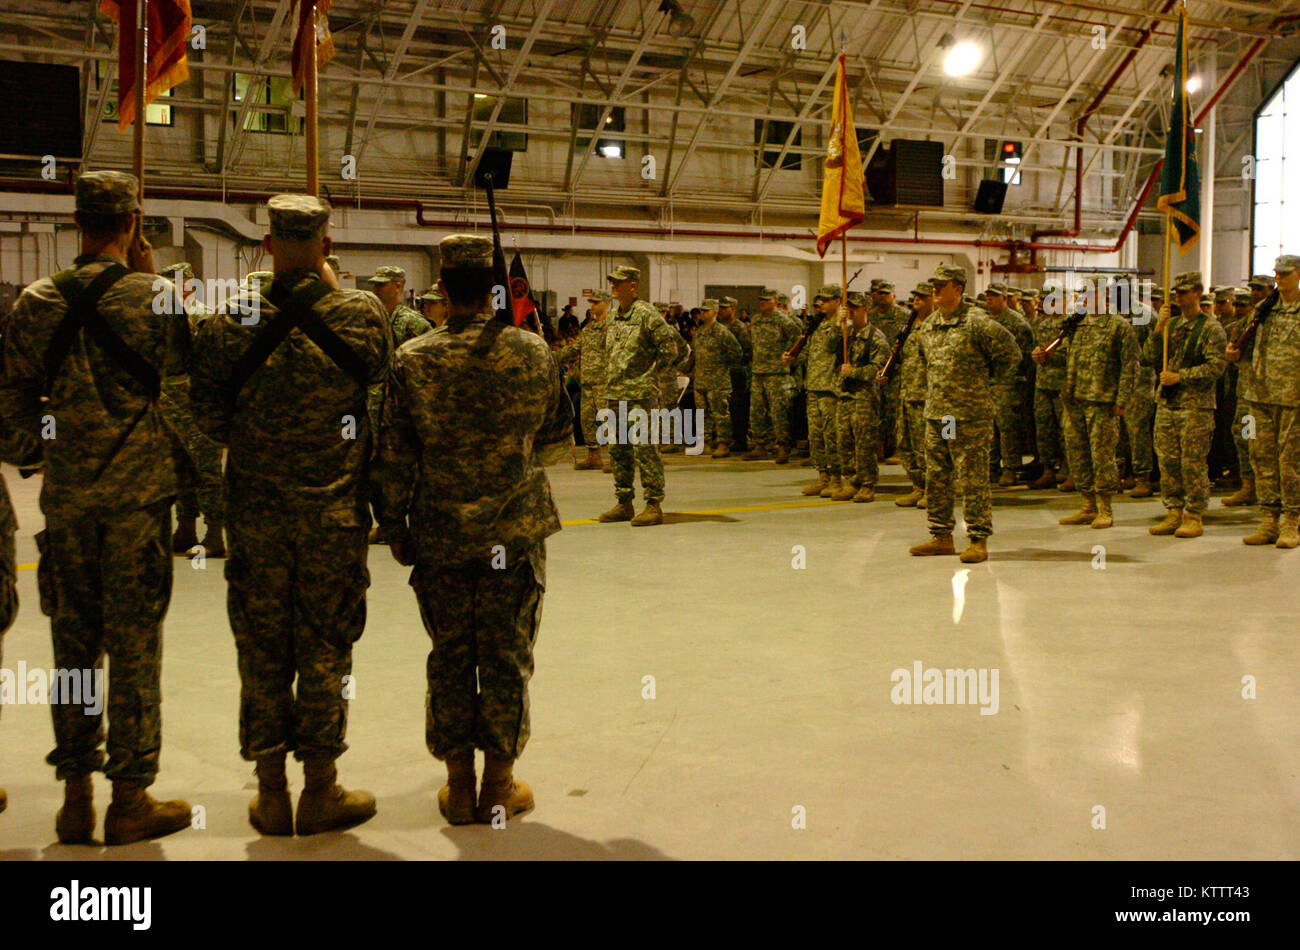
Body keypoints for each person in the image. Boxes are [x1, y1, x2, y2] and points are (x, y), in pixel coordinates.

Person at [0, 170, 192, 845]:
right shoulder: (158, 299)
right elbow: (184, 391)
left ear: (75, 223)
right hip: (138, 505)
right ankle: (131, 800)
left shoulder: (36, 302)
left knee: (74, 652)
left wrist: (47, 451)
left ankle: (76, 798)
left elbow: (12, 413)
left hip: (70, 506)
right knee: (136, 650)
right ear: (133, 224)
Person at [191, 194, 391, 836]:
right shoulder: (361, 316)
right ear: (327, 247)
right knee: (327, 649)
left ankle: (271, 792)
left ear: (267, 247)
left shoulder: (228, 323)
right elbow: (379, 397)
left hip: (254, 515)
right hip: (333, 516)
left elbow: (209, 419)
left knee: (262, 650)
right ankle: (322, 789)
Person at [374, 234, 571, 825]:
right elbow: (559, 442)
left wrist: (394, 526)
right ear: (493, 288)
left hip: (441, 533)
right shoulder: (533, 353)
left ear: (439, 289)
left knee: (451, 654)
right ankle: (499, 785)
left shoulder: (412, 359)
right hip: (512, 533)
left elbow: (392, 453)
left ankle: (459, 784)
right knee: (507, 656)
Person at [909, 266, 1019, 563]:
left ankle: (978, 538)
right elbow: (926, 362)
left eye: (941, 285)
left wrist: (991, 390)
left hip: (969, 416)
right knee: (938, 476)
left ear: (958, 288)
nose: (935, 289)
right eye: (933, 285)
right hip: (940, 416)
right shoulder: (930, 324)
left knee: (972, 478)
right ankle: (941, 536)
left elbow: (1011, 354)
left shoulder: (977, 323)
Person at [1042, 281, 1138, 529]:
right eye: (1082, 294)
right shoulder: (1076, 325)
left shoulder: (1119, 326)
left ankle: (1105, 507)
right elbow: (1067, 356)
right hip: (1074, 398)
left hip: (1101, 401)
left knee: (1102, 455)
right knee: (1077, 453)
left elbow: (1130, 367)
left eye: (1089, 294)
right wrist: (1045, 357)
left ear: (1104, 295)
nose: (1084, 298)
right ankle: (1087, 505)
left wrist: (1122, 401)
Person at [1141, 271, 1227, 538]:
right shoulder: (1172, 325)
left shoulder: (1211, 328)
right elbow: (1147, 357)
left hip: (1195, 405)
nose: (1179, 296)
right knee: (1168, 462)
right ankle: (1173, 510)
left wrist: (1181, 376)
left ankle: (1194, 513)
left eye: (1184, 292)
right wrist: (1158, 328)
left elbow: (1216, 368)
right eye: (1176, 293)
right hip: (1168, 403)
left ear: (1198, 294)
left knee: (1192, 463)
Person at [596, 265, 681, 527]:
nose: (613, 286)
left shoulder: (647, 314)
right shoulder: (612, 316)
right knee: (618, 450)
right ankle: (624, 502)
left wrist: (649, 373)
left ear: (633, 285)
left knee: (645, 451)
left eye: (618, 282)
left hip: (640, 395)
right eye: (612, 281)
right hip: (615, 393)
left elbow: (671, 349)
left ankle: (653, 504)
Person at [1229, 255, 1300, 547]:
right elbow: (1239, 342)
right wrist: (1233, 353)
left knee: (1290, 461)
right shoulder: (1263, 309)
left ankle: (1291, 521)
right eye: (1277, 274)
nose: (1279, 278)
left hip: (1293, 397)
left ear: (1298, 275)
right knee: (1261, 457)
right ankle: (1269, 519)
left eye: (1285, 274)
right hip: (1259, 395)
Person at [157, 261, 226, 557]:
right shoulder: (159, 316)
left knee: (206, 469)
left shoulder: (202, 316)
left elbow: (211, 363)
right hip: (167, 401)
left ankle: (214, 533)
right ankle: (185, 528)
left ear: (188, 284)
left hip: (195, 401)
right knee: (179, 468)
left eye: (174, 282)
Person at [364, 266, 431, 544]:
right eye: (375, 285)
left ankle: (413, 522)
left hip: (403, 407)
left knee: (407, 467)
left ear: (398, 286)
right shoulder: (369, 319)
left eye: (383, 285)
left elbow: (427, 364)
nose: (377, 290)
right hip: (373, 406)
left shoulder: (413, 323)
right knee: (374, 468)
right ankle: (384, 523)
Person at [832, 292, 889, 502]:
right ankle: (852, 480)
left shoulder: (875, 337)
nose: (852, 312)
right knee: (844, 440)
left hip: (864, 396)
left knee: (864, 442)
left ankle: (867, 483)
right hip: (845, 395)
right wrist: (838, 323)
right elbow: (828, 347)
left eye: (855, 308)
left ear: (866, 309)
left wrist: (853, 372)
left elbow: (879, 370)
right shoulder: (845, 334)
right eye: (849, 308)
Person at [789, 286, 845, 496]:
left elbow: (832, 347)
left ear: (837, 301)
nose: (821, 303)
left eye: (826, 300)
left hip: (829, 388)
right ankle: (823, 477)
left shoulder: (840, 325)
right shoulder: (817, 324)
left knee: (831, 436)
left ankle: (836, 480)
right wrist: (793, 357)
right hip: (812, 385)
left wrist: (839, 323)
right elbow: (812, 353)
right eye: (820, 300)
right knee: (816, 436)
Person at [983, 283, 1036, 486]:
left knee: (1007, 428)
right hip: (988, 381)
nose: (989, 300)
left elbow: (1025, 357)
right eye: (988, 296)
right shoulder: (985, 320)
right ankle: (991, 466)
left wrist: (1015, 380)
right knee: (989, 428)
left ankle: (1011, 468)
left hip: (1008, 382)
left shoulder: (1017, 323)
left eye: (994, 297)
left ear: (1004, 299)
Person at [888, 283, 933, 507]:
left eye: (922, 297)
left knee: (928, 447)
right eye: (915, 296)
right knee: (906, 444)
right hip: (908, 392)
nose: (916, 300)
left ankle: (933, 491)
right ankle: (918, 486)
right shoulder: (911, 325)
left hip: (928, 396)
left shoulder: (936, 325)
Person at [745, 288, 801, 463]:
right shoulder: (756, 320)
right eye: (760, 299)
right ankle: (760, 445)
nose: (762, 302)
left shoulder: (783, 320)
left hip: (777, 373)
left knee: (779, 412)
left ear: (775, 301)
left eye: (766, 300)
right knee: (756, 412)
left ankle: (783, 446)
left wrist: (789, 357)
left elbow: (798, 340)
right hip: (758, 371)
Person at [559, 291, 612, 471]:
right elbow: (575, 348)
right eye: (591, 303)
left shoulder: (613, 326)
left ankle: (617, 457)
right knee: (587, 420)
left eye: (596, 302)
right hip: (587, 381)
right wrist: (552, 356)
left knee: (609, 419)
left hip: (605, 381)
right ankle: (593, 456)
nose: (592, 306)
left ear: (606, 303)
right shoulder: (589, 328)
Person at [691, 299, 743, 458]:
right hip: (700, 379)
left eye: (706, 311)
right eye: (701, 311)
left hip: (717, 381)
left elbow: (737, 353)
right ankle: (705, 442)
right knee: (701, 413)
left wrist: (722, 367)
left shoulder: (722, 332)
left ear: (714, 312)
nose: (703, 313)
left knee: (720, 413)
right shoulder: (699, 332)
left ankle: (723, 443)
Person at [1221, 287, 1257, 507]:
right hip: (1247, 392)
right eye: (1237, 304)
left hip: (1277, 394)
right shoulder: (1240, 327)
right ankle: (1249, 487)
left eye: (1243, 305)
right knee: (1243, 435)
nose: (1239, 309)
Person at [868, 279, 909, 462]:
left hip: (898, 371)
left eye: (886, 293)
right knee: (875, 410)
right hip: (875, 370)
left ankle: (899, 448)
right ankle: (879, 447)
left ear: (893, 295)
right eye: (879, 293)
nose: (882, 297)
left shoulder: (905, 316)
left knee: (896, 410)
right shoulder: (870, 316)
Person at [717, 297, 752, 453]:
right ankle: (726, 438)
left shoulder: (739, 327)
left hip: (736, 373)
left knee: (738, 408)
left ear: (733, 309)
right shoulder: (719, 326)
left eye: (725, 308)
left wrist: (736, 365)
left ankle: (740, 440)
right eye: (720, 308)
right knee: (725, 408)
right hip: (722, 373)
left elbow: (746, 351)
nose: (721, 311)